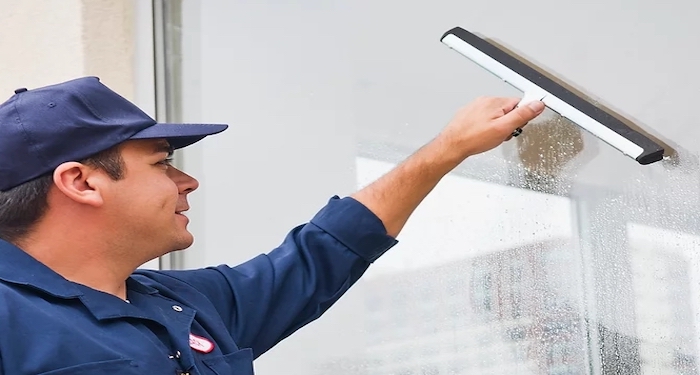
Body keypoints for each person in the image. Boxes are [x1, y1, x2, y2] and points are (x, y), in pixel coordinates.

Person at [0, 76, 544, 374]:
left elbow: (325, 250)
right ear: (81, 182)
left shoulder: (185, 304)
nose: (187, 183)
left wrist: (447, 150)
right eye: (162, 162)